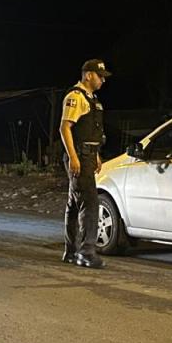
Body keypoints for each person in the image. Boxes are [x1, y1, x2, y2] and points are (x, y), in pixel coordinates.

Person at [59, 59, 110, 269]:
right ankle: (87, 251)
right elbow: (65, 128)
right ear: (88, 75)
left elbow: (91, 132)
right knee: (90, 203)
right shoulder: (75, 97)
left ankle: (71, 251)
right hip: (80, 156)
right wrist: (73, 156)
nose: (102, 80)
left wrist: (96, 154)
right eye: (100, 76)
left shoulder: (92, 100)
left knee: (74, 203)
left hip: (88, 155)